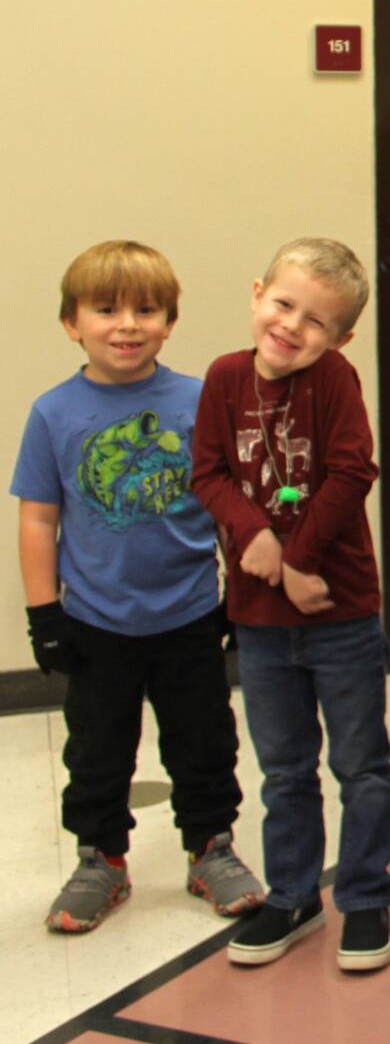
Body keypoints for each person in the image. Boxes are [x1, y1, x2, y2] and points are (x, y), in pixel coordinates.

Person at [17, 242, 262, 934]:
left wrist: (239, 590)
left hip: (189, 614)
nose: (126, 324)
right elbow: (38, 518)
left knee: (204, 740)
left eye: (145, 309)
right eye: (105, 309)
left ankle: (210, 847)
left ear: (169, 320)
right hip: (97, 621)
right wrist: (44, 614)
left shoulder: (197, 400)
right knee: (96, 748)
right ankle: (101, 859)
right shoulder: (54, 413)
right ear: (72, 322)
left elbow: (224, 501)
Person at [190, 238, 390, 972]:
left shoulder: (335, 379)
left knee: (361, 762)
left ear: (339, 338)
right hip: (261, 618)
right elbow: (208, 474)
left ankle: (366, 892)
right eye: (283, 305)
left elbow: (351, 471)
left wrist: (302, 557)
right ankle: (293, 892)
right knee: (283, 768)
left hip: (339, 612)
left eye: (315, 321)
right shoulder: (222, 378)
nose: (291, 327)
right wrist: (265, 548)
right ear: (256, 295)